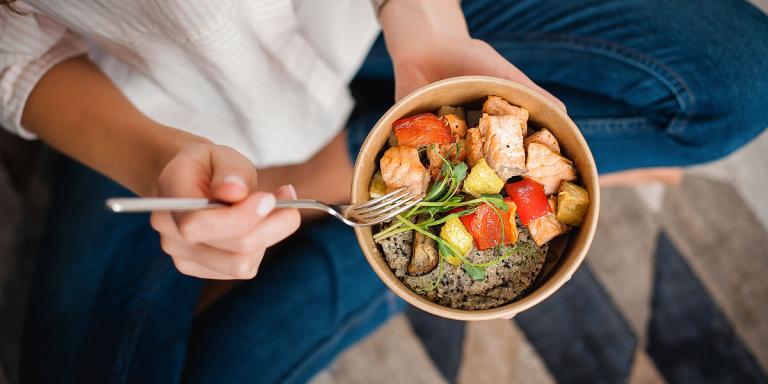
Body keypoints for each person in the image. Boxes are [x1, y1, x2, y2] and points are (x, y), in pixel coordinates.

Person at [1, 0, 766, 382]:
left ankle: (364, 213)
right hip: (150, 101)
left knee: (741, 77)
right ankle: (376, 222)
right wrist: (152, 159)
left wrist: (427, 27)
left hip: (370, 26)